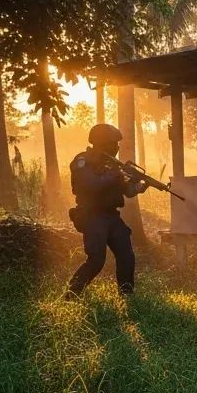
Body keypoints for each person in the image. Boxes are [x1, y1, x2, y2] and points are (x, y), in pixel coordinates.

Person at [65, 123, 147, 297]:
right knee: (96, 260)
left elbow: (127, 191)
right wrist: (115, 173)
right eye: (113, 143)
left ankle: (126, 294)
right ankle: (72, 293)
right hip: (92, 216)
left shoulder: (112, 164)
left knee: (126, 255)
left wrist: (141, 185)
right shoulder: (83, 161)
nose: (117, 147)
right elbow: (91, 185)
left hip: (112, 216)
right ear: (102, 143)